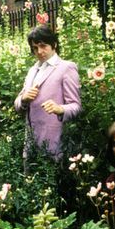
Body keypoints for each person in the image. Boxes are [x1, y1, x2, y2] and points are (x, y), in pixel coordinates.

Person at [14, 25, 82, 160]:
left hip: (54, 144)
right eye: (35, 48)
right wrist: (23, 99)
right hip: (30, 144)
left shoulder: (66, 68)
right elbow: (17, 103)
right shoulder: (32, 70)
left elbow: (76, 106)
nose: (39, 51)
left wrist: (60, 109)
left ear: (54, 44)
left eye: (43, 46)